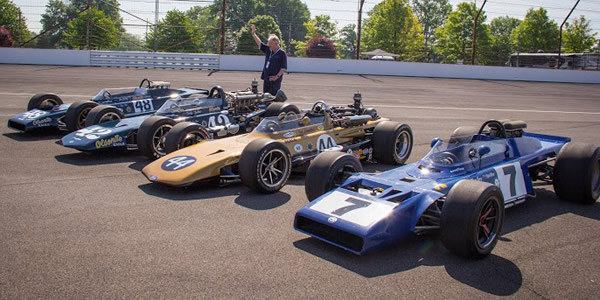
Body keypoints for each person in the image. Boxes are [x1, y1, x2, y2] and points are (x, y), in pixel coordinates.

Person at [251, 24, 287, 95]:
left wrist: (276, 77)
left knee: (273, 97)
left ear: (276, 44)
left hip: (275, 80)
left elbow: (283, 68)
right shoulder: (268, 49)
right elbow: (260, 43)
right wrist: (253, 34)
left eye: (270, 43)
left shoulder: (282, 53)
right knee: (265, 96)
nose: (268, 44)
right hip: (267, 78)